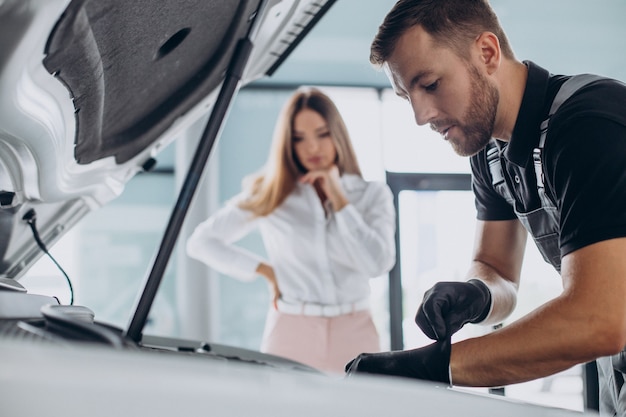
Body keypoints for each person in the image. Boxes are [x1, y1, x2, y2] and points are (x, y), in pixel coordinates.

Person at [345, 0, 626, 415]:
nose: (421, 116)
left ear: (487, 53)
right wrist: (476, 293)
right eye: (407, 97)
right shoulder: (489, 151)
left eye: (431, 84)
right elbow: (497, 269)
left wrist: (432, 366)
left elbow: (598, 319)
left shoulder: (589, 125)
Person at [187, 87, 396, 375]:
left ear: (338, 135)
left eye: (322, 134)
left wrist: (339, 200)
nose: (312, 148)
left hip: (356, 330)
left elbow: (378, 264)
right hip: (290, 330)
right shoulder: (273, 194)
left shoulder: (372, 195)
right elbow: (201, 242)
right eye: (299, 139)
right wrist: (264, 270)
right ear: (288, 144)